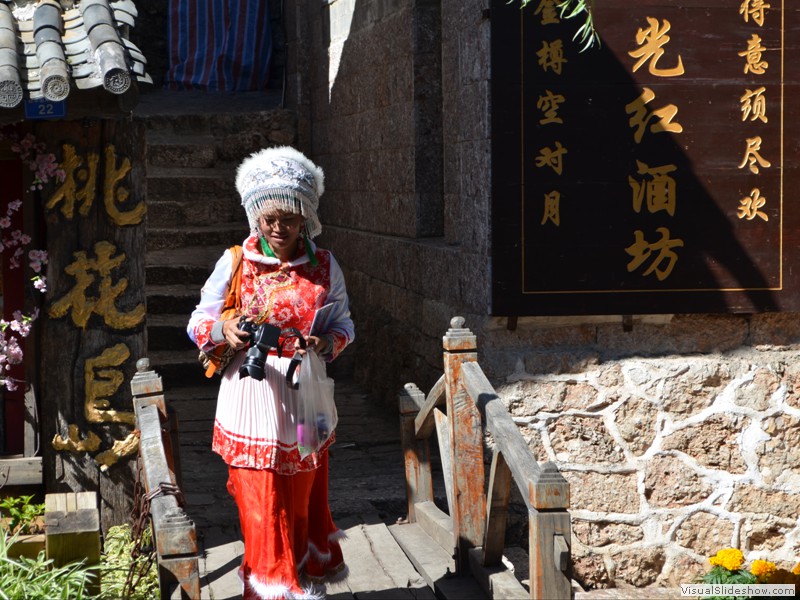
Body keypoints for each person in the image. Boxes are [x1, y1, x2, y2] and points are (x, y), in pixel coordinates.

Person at [187, 146, 355, 599]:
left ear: (306, 218)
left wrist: (324, 342)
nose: (278, 229)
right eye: (269, 219)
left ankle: (295, 578)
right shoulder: (236, 262)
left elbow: (344, 325)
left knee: (300, 498)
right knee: (259, 498)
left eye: (290, 219)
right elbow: (198, 321)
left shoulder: (324, 266)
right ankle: (267, 588)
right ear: (255, 217)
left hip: (305, 395)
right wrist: (224, 329)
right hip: (250, 393)